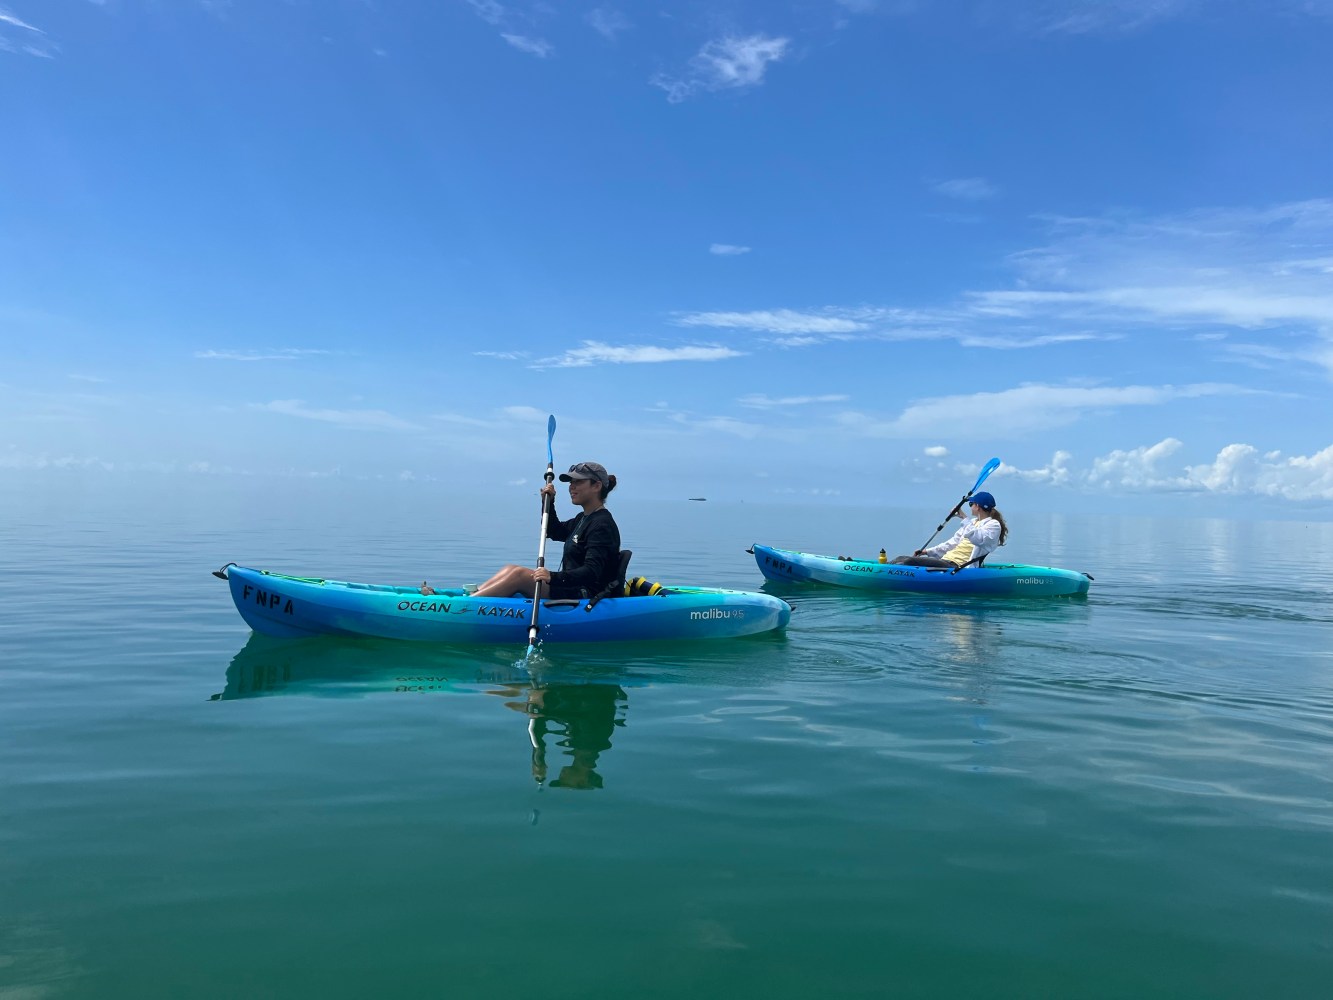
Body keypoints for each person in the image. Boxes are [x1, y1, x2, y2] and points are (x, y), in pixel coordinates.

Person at [469, 461, 622, 599]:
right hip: (570, 586)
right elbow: (553, 531)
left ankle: (467, 606)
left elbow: (591, 572)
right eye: (571, 482)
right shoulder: (583, 518)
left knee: (519, 575)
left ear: (597, 486)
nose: (572, 486)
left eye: (579, 481)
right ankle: (472, 596)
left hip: (586, 594)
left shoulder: (602, 525)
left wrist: (552, 577)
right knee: (511, 568)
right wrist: (548, 502)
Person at [890, 490, 1008, 568]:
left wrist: (963, 517)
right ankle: (883, 568)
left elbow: (978, 539)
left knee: (908, 562)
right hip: (947, 561)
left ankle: (881, 573)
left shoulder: (993, 525)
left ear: (978, 506)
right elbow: (952, 543)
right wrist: (927, 552)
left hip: (959, 566)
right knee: (901, 558)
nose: (970, 506)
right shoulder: (972, 523)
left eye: (971, 504)